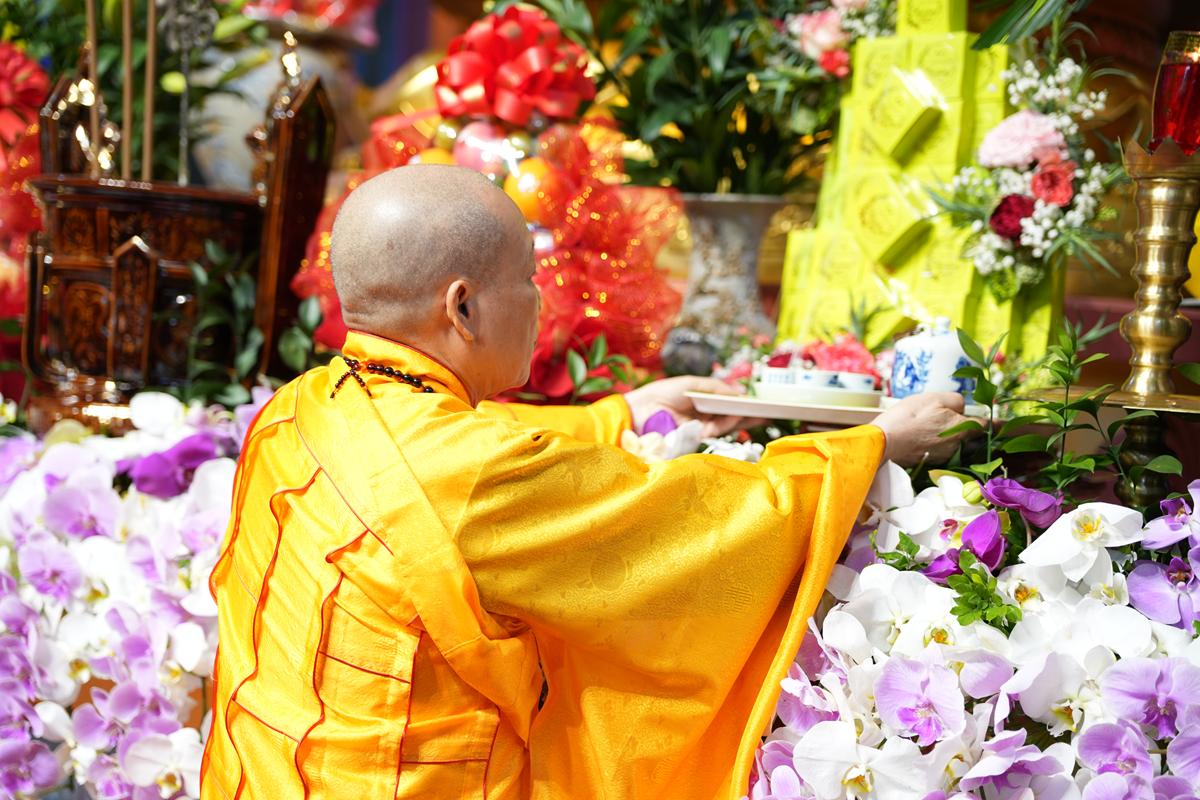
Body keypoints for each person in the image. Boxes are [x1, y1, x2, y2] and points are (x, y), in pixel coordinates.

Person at [200, 165, 970, 800]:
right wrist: (872, 444)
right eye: (528, 280)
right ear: (462, 307)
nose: (541, 301)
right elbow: (701, 523)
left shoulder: (298, 408)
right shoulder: (475, 475)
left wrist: (623, 412)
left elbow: (445, 455)